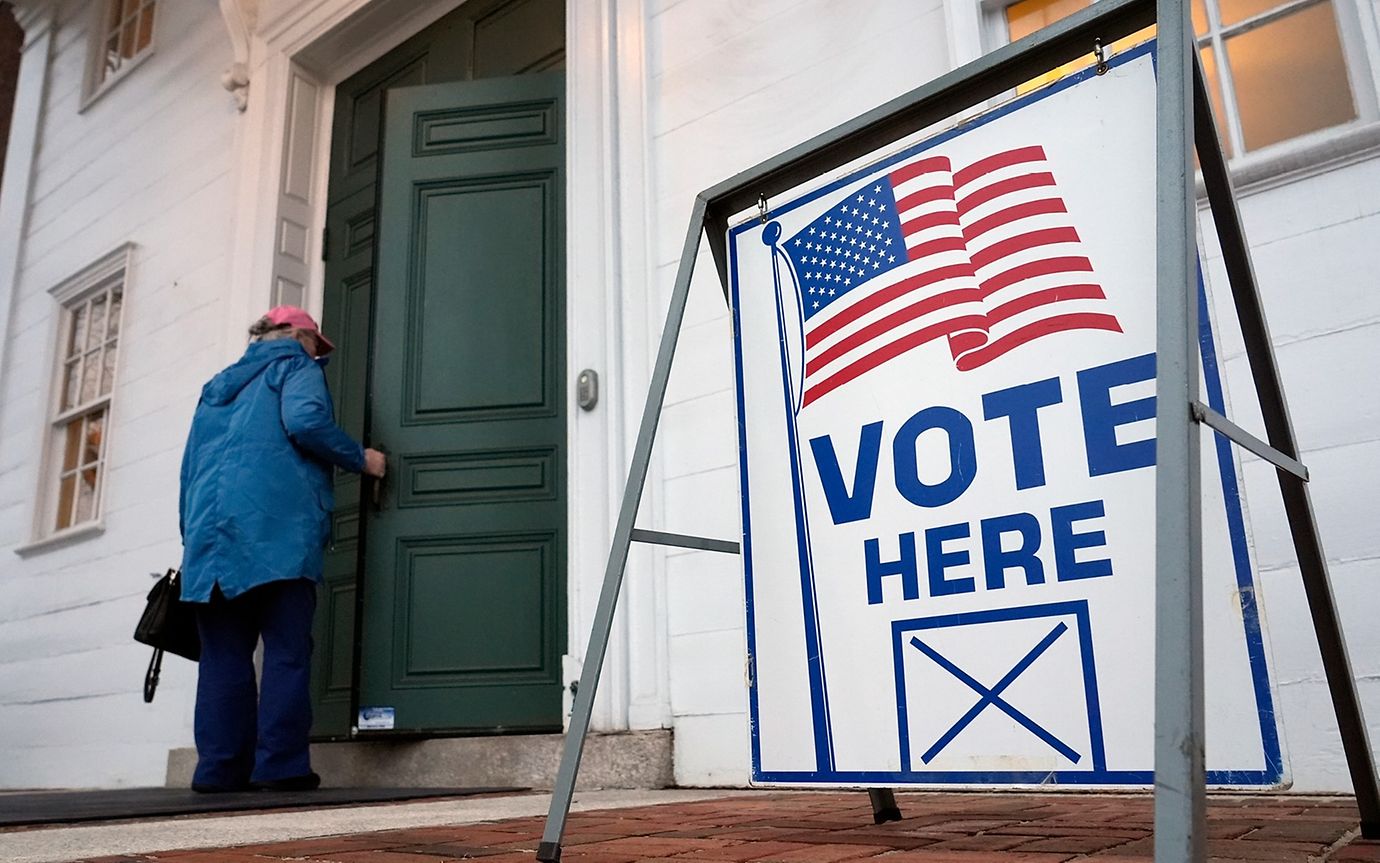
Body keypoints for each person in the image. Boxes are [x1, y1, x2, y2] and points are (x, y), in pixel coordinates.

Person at [178, 305, 386, 792]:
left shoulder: (218, 386)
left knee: (223, 657)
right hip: (278, 534)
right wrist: (363, 459)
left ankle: (218, 770)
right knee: (287, 653)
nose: (320, 355)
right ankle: (281, 767)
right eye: (317, 343)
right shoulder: (295, 366)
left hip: (210, 541)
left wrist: (194, 539)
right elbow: (306, 421)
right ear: (294, 334)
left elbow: (190, 469)